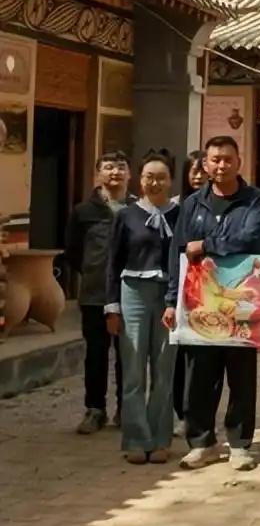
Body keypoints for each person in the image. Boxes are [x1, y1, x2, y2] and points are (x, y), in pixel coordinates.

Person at [165, 136, 260, 471]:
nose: (221, 165)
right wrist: (171, 300)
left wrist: (207, 245)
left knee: (241, 376)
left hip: (241, 301)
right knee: (200, 376)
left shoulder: (256, 201)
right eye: (215, 160)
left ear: (239, 162)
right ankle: (202, 443)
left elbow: (248, 238)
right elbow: (177, 252)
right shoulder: (192, 204)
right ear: (206, 165)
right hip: (199, 303)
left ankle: (240, 444)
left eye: (227, 159)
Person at [104, 153, 180, 464]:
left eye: (161, 177)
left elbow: (183, 260)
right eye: (149, 176)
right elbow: (113, 262)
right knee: (133, 370)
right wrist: (112, 307)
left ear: (170, 180)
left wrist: (176, 301)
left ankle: (160, 439)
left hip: (168, 298)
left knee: (164, 370)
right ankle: (136, 439)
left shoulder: (180, 215)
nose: (155, 182)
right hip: (132, 293)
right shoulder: (127, 215)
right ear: (140, 179)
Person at [66, 151, 134, 435]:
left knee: (128, 355)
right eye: (108, 167)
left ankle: (126, 410)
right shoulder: (84, 211)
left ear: (129, 174)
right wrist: (94, 272)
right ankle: (95, 409)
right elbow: (73, 252)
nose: (115, 172)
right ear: (98, 174)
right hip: (95, 294)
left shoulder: (138, 209)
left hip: (131, 294)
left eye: (120, 167)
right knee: (95, 354)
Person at [172, 151, 206, 434]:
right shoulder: (176, 207)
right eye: (193, 171)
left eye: (202, 171)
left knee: (201, 358)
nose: (198, 176)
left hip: (207, 291)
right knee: (179, 356)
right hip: (179, 288)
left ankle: (197, 413)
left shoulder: (212, 207)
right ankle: (179, 412)